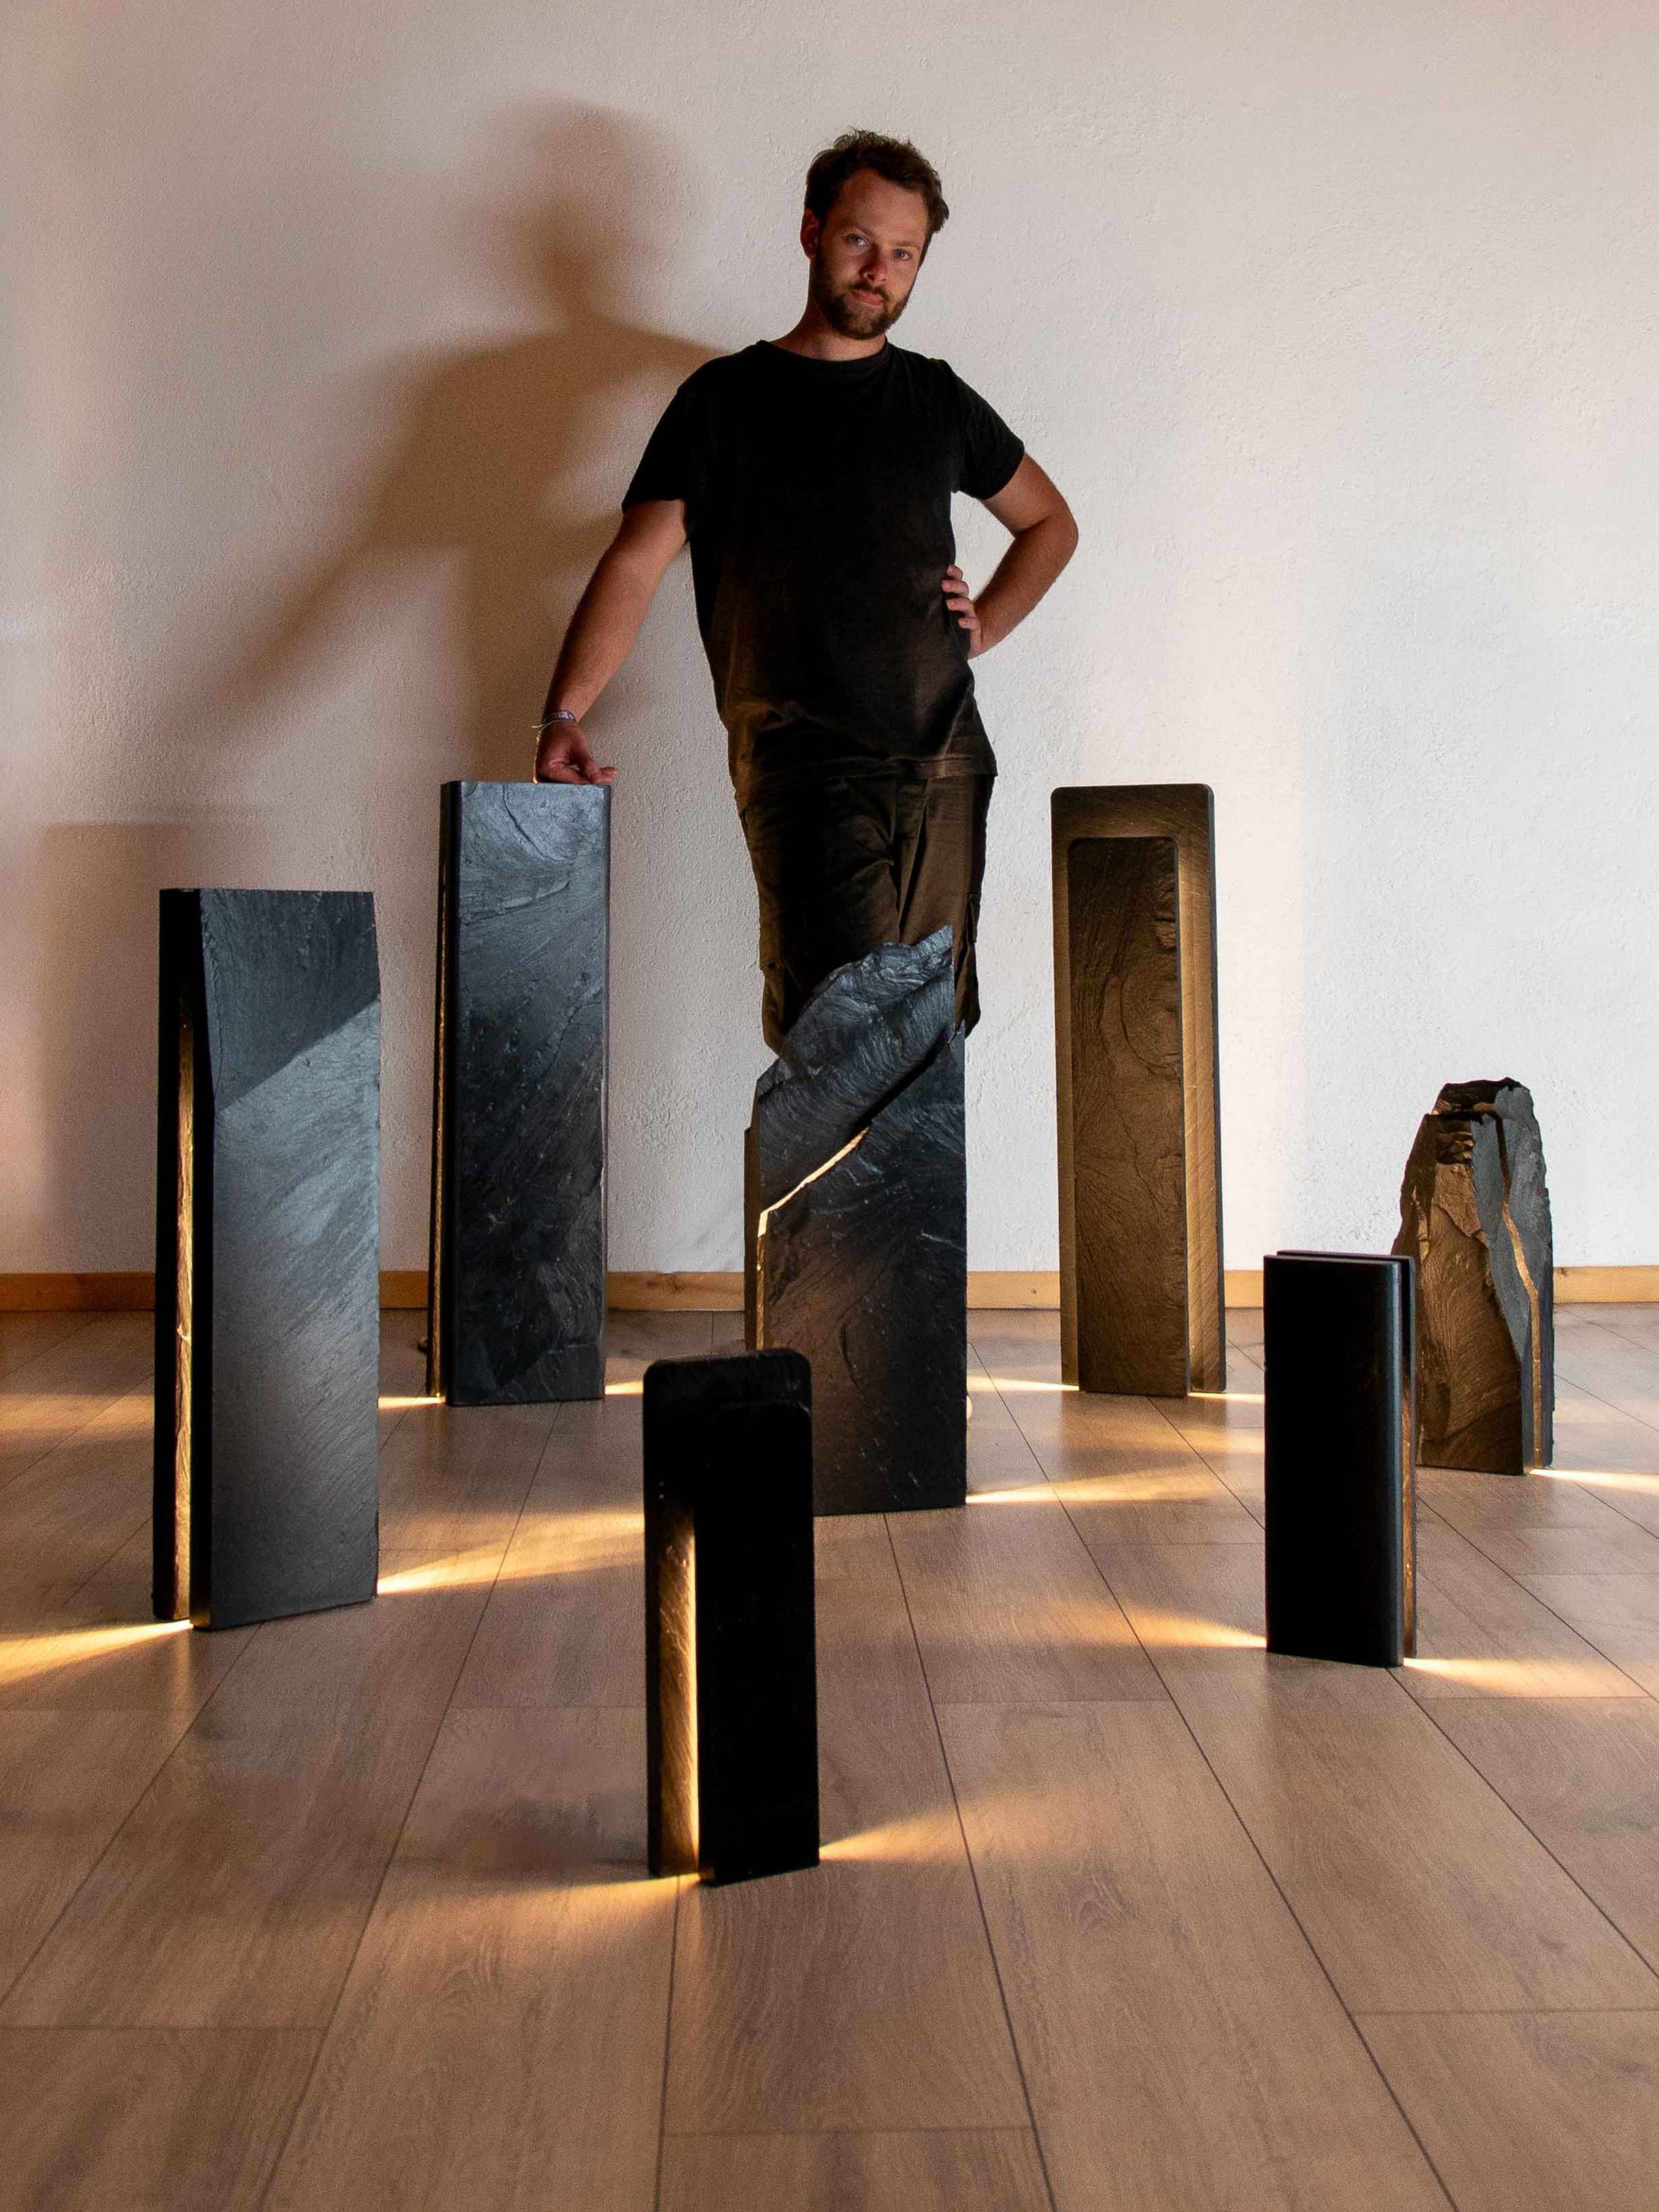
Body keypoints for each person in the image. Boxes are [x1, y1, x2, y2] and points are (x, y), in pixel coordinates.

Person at [534, 129, 1077, 1049]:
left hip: (945, 764)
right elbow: (635, 562)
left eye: (904, 254)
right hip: (806, 767)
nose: (879, 271)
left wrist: (984, 623)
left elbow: (1050, 523)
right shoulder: (724, 402)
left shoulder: (937, 399)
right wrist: (566, 712)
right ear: (813, 233)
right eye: (861, 241)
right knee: (835, 1052)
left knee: (927, 1055)